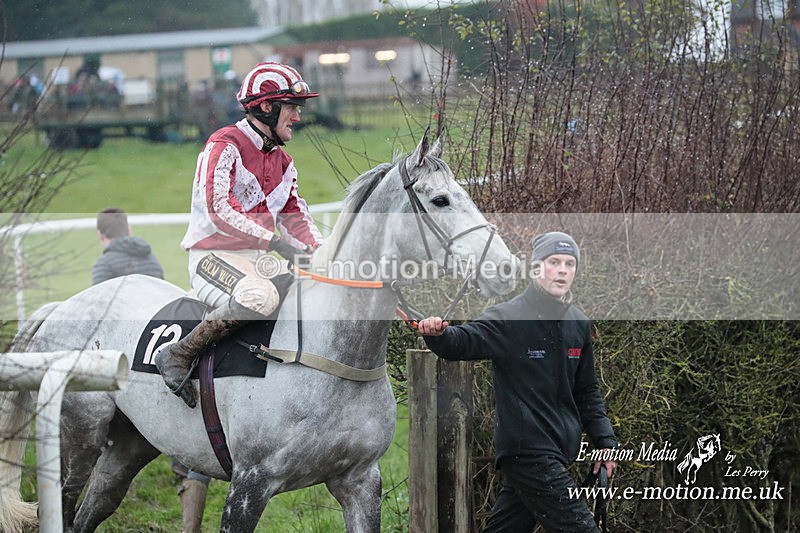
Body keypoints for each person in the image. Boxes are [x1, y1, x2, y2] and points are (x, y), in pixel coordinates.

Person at [417, 231, 618, 533]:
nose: (563, 269)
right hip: (528, 452)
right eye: (554, 262)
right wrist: (438, 334)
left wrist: (605, 443)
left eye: (569, 263)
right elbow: (462, 342)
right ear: (536, 268)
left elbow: (587, 392)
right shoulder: (508, 318)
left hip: (555, 452)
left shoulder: (578, 323)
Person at [155, 62, 324, 409]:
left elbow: (295, 213)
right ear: (267, 106)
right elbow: (219, 209)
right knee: (260, 298)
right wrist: (275, 242)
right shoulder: (224, 144)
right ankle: (178, 354)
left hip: (256, 260)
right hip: (211, 257)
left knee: (309, 291)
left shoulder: (284, 161)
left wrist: (322, 253)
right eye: (292, 107)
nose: (297, 116)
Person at [92, 208, 210, 532]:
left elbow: (103, 314)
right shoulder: (151, 258)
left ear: (102, 235)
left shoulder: (105, 265)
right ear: (127, 228)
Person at [92, 208, 164, 285]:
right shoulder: (151, 259)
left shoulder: (105, 264)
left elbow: (97, 295)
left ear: (100, 236)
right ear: (129, 230)